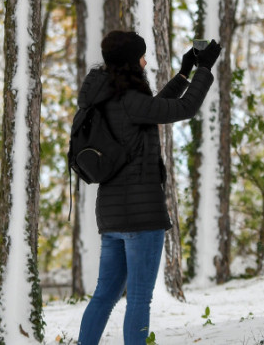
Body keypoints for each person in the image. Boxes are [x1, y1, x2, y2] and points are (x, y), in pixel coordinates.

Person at [76, 30, 221, 344]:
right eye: (141, 55)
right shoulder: (128, 99)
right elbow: (184, 110)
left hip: (112, 216)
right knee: (140, 299)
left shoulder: (106, 96)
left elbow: (153, 109)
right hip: (141, 217)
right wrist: (205, 69)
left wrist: (184, 74)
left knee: (104, 296)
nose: (145, 60)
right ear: (130, 59)